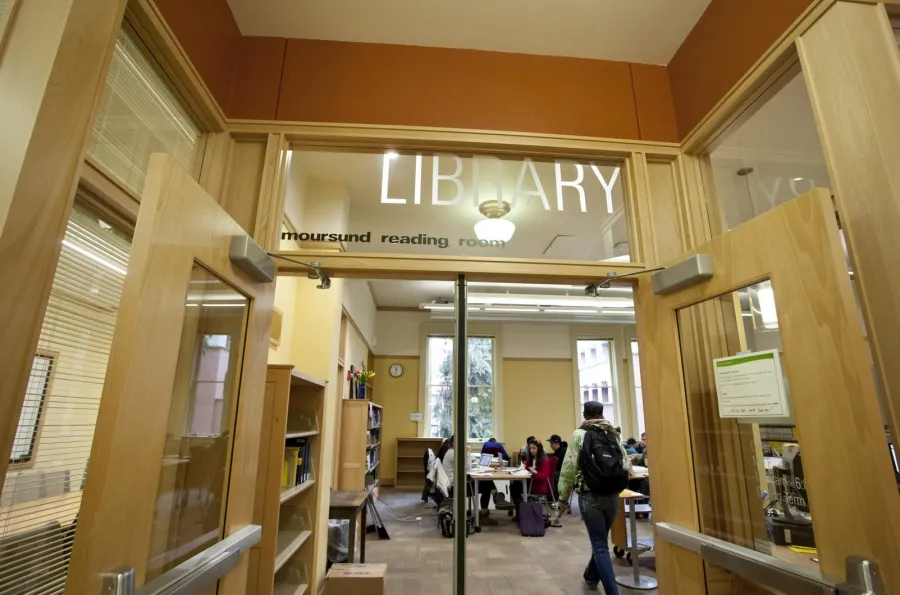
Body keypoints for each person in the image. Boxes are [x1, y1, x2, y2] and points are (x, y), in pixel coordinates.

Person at [558, 401, 630, 595]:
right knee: (600, 540)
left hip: (591, 496)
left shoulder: (579, 434)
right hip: (613, 496)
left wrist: (562, 497)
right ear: (601, 413)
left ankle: (612, 592)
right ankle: (591, 575)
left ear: (585, 414)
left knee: (599, 544)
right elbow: (626, 465)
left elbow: (568, 469)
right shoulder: (613, 433)